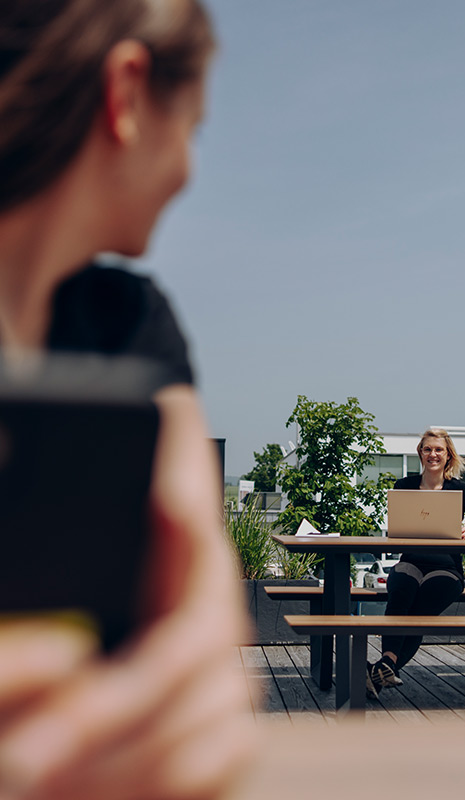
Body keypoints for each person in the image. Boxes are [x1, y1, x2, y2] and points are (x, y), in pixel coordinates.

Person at [0, 2, 254, 798]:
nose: (189, 167)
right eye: (196, 128)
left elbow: (198, 587)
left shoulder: (132, 325)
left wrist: (194, 692)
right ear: (129, 93)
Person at [367, 428, 465, 699]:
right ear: (420, 453)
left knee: (418, 612)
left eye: (438, 449)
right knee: (401, 588)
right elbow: (396, 530)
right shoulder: (404, 486)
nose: (433, 454)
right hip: (411, 562)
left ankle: (381, 669)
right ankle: (386, 668)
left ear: (448, 455)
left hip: (446, 569)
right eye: (427, 449)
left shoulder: (459, 489)